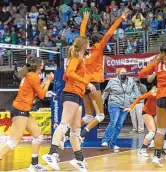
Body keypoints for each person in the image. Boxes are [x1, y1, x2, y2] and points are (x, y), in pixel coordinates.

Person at [62, 10, 129, 143]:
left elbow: (82, 34)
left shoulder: (83, 49)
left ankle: (68, 130)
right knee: (100, 115)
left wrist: (85, 20)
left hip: (84, 84)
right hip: (94, 84)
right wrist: (120, 18)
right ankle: (81, 134)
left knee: (88, 116)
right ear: (99, 41)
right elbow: (109, 33)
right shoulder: (99, 48)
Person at [42, 37, 96, 172]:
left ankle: (79, 159)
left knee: (75, 131)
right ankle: (51, 153)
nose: (90, 45)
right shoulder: (75, 59)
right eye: (88, 43)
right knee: (64, 124)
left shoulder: (80, 60)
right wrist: (86, 83)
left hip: (77, 95)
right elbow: (69, 73)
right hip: (71, 94)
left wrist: (82, 85)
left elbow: (67, 77)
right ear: (84, 45)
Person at [0, 57, 54, 172]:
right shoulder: (33, 77)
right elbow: (41, 96)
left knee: (38, 136)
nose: (44, 65)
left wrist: (43, 83)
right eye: (42, 64)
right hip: (20, 110)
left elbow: (33, 94)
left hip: (22, 110)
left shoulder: (29, 76)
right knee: (13, 142)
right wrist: (48, 80)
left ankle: (34, 165)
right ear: (38, 66)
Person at [101, 67, 139, 149]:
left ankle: (112, 143)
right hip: (114, 103)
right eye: (121, 72)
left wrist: (132, 98)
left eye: (125, 72)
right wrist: (102, 101)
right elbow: (106, 92)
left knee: (119, 125)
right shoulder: (112, 81)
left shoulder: (131, 81)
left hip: (125, 105)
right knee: (113, 121)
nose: (123, 74)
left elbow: (137, 93)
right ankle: (105, 140)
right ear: (117, 74)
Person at [124, 86, 157, 156]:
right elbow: (139, 98)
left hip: (157, 113)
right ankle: (142, 150)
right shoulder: (152, 92)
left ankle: (155, 145)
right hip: (147, 112)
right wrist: (131, 107)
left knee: (159, 131)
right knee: (152, 131)